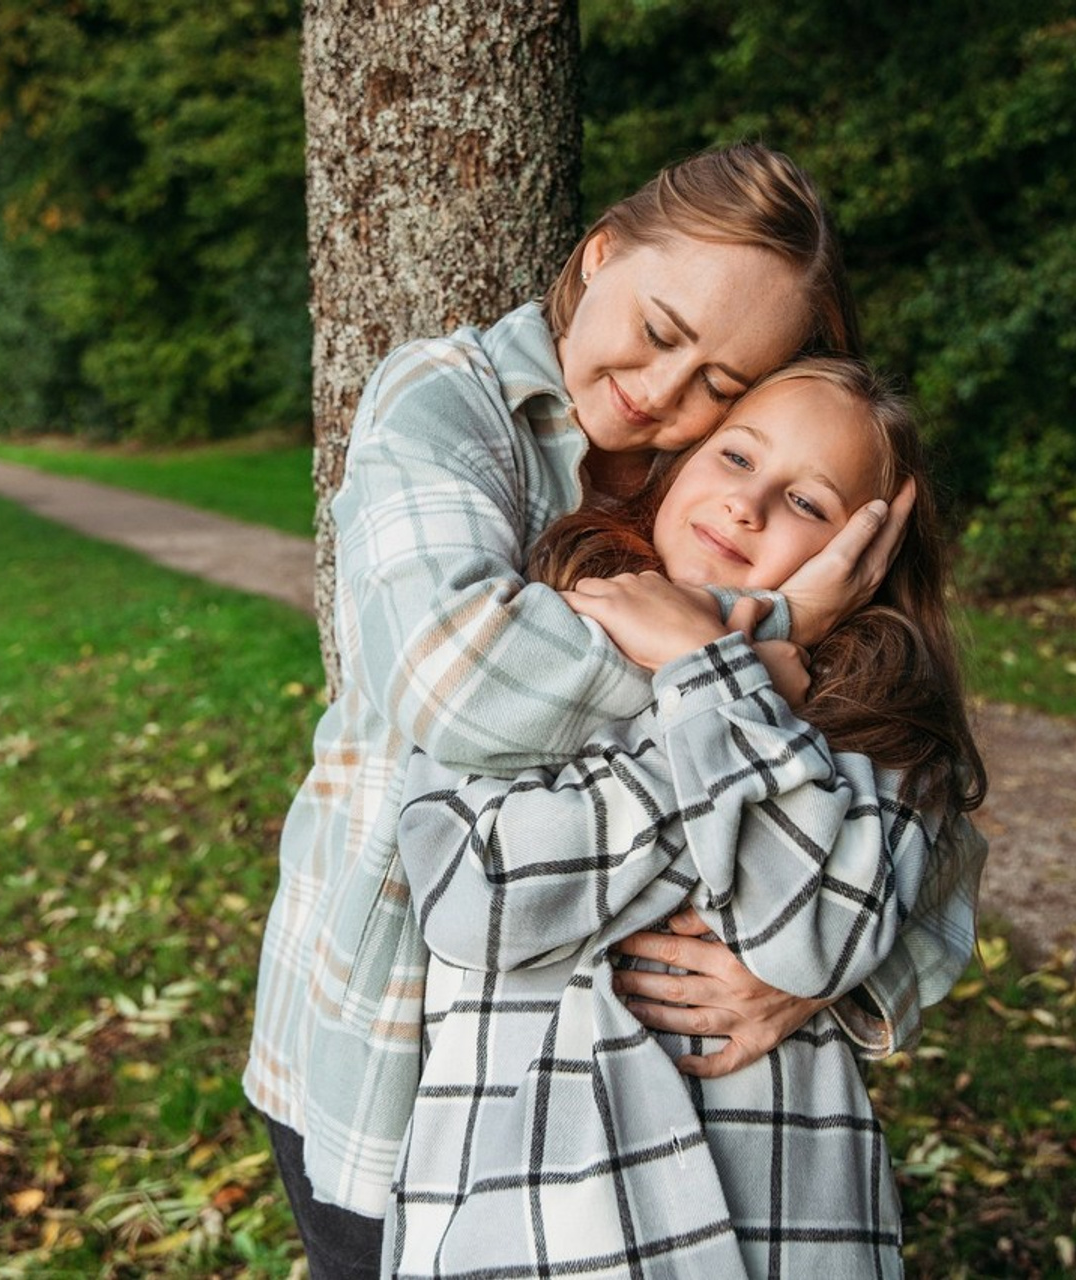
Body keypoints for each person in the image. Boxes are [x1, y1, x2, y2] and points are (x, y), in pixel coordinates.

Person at [243, 142, 971, 1277]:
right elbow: (462, 684)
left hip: (687, 1141)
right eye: (661, 330)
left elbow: (932, 833)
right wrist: (760, 637)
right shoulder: (451, 404)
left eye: (722, 385)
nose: (664, 396)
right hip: (392, 1043)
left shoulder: (715, 482)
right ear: (600, 254)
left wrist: (830, 968)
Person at [386, 357, 987, 1278]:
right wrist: (724, 687)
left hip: (781, 1219)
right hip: (526, 1217)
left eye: (810, 505)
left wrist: (710, 672)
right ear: (675, 466)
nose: (750, 506)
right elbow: (479, 901)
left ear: (864, 561)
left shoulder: (880, 726)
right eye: (737, 457)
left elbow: (814, 941)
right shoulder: (530, 648)